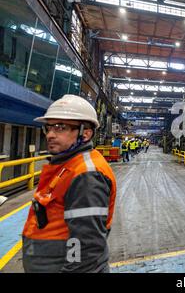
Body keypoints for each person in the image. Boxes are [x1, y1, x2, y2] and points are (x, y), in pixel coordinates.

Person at [22, 94, 117, 273]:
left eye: (60, 127)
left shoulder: (87, 175)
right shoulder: (67, 165)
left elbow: (87, 249)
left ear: (86, 133)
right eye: (48, 127)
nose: (50, 134)